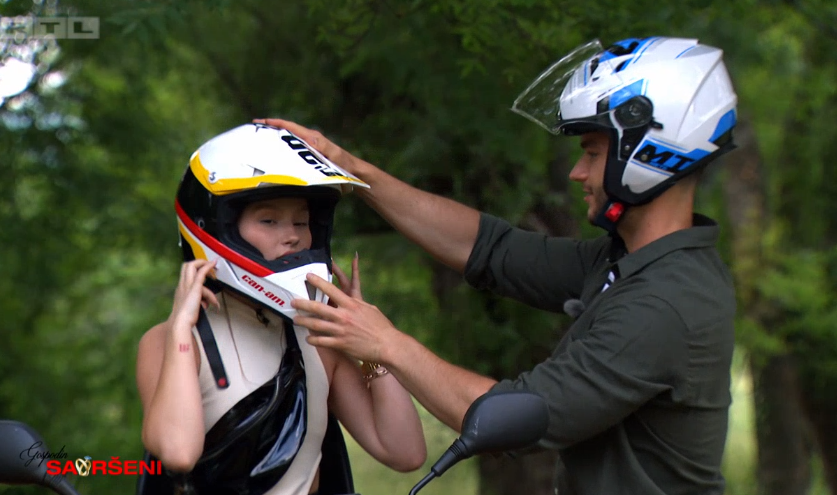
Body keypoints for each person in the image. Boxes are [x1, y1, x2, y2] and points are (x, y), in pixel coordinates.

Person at [256, 36, 739, 495]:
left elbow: (514, 415)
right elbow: (490, 248)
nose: (578, 172)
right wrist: (353, 171)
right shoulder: (631, 262)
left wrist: (385, 343)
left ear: (649, 151)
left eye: (591, 153)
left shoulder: (664, 304)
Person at [135, 123, 426, 495]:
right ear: (220, 227)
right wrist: (179, 332)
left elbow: (404, 452)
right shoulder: (169, 342)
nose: (292, 235)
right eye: (269, 220)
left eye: (301, 222)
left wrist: (374, 346)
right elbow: (177, 453)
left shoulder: (319, 339)